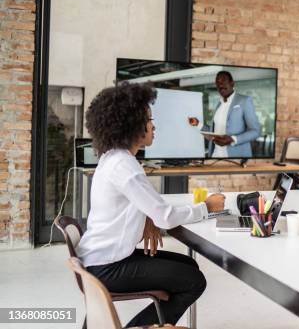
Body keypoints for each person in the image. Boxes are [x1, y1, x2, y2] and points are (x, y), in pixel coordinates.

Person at [76, 83, 225, 327]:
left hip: (98, 258)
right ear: (131, 125)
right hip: (107, 266)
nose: (153, 125)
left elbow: (138, 205)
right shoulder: (125, 166)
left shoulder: (113, 158)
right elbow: (165, 216)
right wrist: (207, 207)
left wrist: (145, 219)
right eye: (148, 119)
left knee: (188, 264)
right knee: (194, 280)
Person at [202, 71, 261, 158]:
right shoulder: (219, 104)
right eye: (217, 83)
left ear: (232, 83)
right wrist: (198, 124)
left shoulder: (244, 100)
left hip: (236, 158)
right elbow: (214, 132)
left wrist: (233, 139)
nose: (220, 85)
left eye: (223, 81)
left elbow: (255, 131)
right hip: (215, 155)